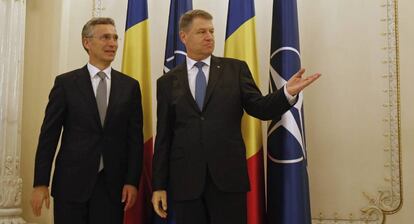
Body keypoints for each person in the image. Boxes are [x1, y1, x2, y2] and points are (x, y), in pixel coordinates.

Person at [151, 9, 321, 224]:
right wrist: (158, 186)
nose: (209, 36)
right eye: (201, 32)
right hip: (186, 182)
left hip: (228, 179)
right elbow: (164, 137)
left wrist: (287, 92)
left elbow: (260, 108)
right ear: (184, 37)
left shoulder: (235, 69)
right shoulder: (167, 82)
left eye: (211, 31)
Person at [30, 17, 143, 224]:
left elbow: (135, 139)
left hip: (112, 187)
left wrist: (132, 181)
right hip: (71, 185)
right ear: (87, 42)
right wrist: (40, 183)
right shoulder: (66, 84)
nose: (113, 43)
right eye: (105, 37)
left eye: (115, 38)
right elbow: (49, 136)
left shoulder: (130, 87)